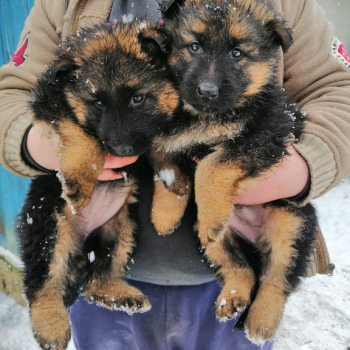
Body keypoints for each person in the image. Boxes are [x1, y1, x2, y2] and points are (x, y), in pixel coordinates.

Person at [0, 0, 349, 349]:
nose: (209, 82)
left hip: (234, 282)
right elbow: (14, 92)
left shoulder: (288, 5)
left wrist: (304, 168)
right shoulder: (63, 4)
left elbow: (337, 90)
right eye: (192, 47)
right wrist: (40, 143)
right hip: (101, 278)